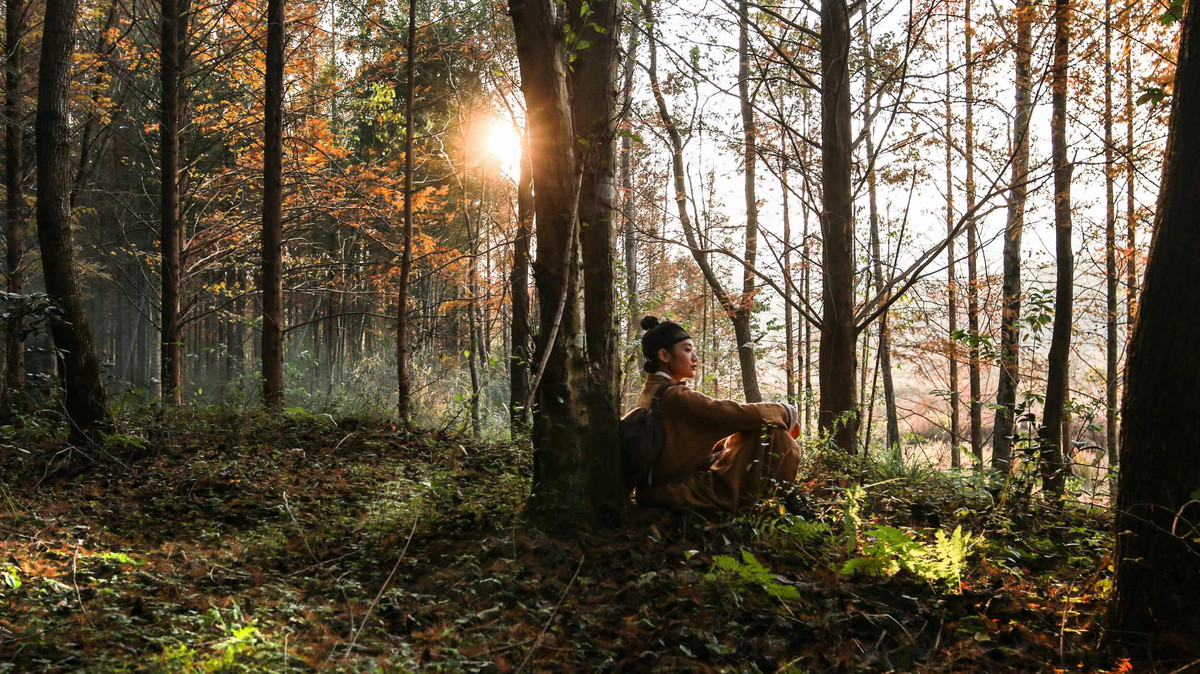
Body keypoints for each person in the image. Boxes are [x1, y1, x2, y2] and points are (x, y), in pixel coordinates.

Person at [625, 315, 802, 515]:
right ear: (664, 356)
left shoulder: (654, 392)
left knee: (751, 433)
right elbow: (730, 413)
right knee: (774, 434)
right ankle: (787, 505)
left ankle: (785, 501)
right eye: (687, 350)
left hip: (661, 491)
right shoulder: (673, 396)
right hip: (678, 492)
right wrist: (785, 411)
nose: (695, 358)